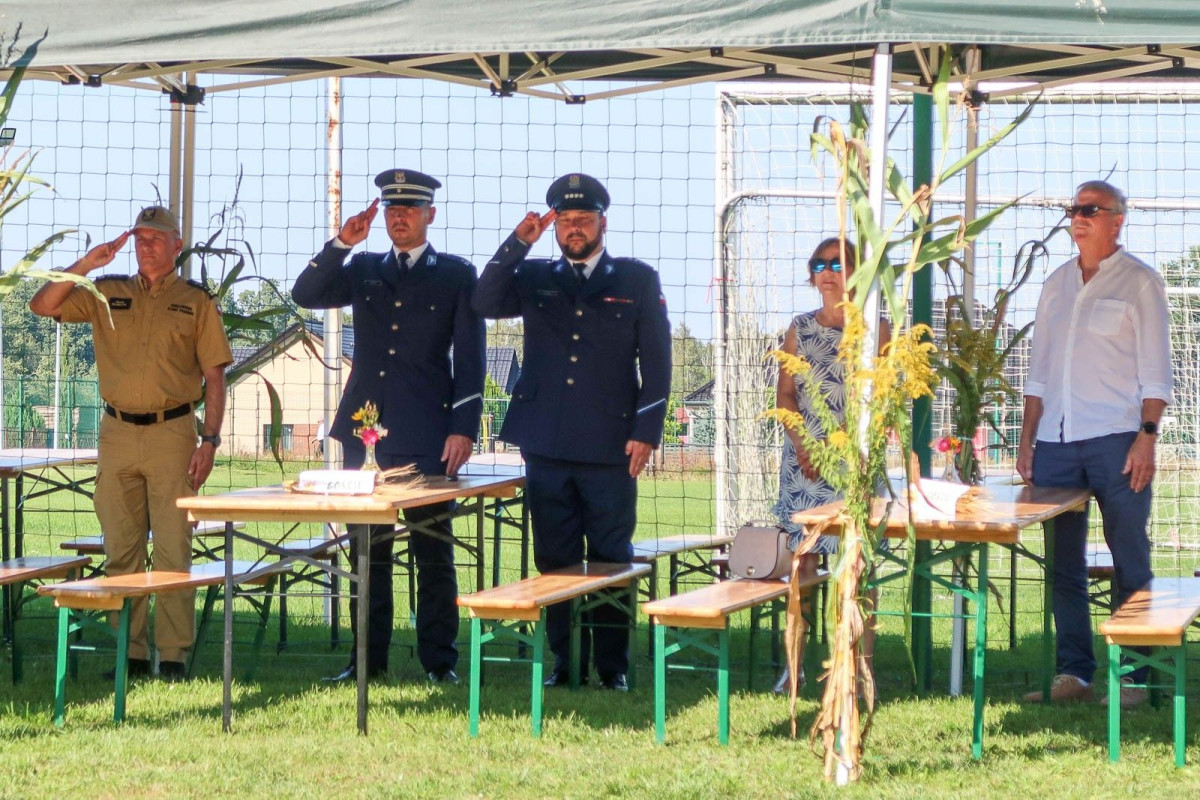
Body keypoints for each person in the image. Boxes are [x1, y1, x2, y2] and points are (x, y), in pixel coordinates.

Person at [472, 173, 672, 691]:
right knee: (555, 557)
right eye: (564, 221)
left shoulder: (635, 280)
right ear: (554, 226)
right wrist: (519, 242)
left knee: (610, 555)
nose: (574, 229)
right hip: (547, 441)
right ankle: (566, 662)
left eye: (583, 220)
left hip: (611, 445)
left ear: (603, 223)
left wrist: (647, 430)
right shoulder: (534, 275)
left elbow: (658, 363)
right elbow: (484, 301)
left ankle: (612, 667)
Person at [292, 168, 484, 684]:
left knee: (432, 552)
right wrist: (342, 243)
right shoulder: (363, 268)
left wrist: (463, 426)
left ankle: (439, 662)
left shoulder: (456, 275)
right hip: (367, 431)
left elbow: (470, 360)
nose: (399, 217)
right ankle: (366, 661)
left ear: (429, 215)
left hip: (427, 434)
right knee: (367, 554)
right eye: (392, 209)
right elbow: (305, 293)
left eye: (409, 209)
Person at [29, 205, 233, 680]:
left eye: (157, 238)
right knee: (121, 547)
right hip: (117, 432)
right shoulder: (106, 291)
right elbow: (43, 305)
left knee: (173, 547)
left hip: (172, 434)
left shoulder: (196, 302)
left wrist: (210, 440)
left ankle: (174, 656)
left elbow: (215, 376)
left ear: (177, 245)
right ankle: (132, 654)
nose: (146, 246)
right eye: (140, 238)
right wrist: (87, 264)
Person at [1017, 180, 1172, 708]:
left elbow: (1157, 373)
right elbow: (1038, 372)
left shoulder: (1141, 282)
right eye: (1073, 209)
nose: (1077, 217)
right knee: (1063, 564)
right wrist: (1027, 440)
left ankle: (1134, 678)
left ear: (1116, 221)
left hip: (1118, 441)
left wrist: (1146, 438)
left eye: (1090, 209)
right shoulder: (1056, 283)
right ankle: (1074, 675)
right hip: (1056, 444)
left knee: (1130, 557)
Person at [771, 237, 882, 695]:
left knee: (859, 568)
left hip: (855, 466)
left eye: (838, 263)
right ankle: (794, 670)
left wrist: (855, 450)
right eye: (819, 264)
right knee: (802, 568)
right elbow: (785, 395)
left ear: (857, 271)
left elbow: (885, 398)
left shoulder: (876, 329)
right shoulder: (799, 329)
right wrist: (802, 445)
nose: (828, 272)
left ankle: (860, 669)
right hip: (805, 467)